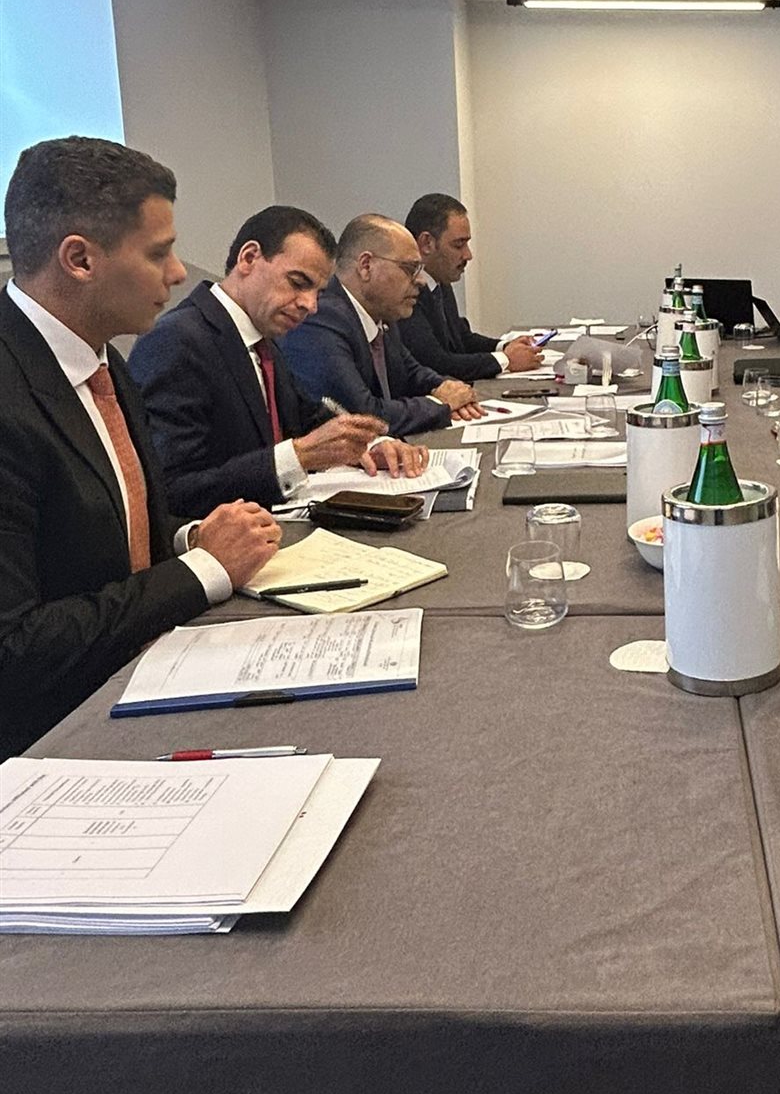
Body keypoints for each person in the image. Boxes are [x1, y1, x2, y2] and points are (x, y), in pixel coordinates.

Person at [0, 137, 280, 757]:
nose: (179, 273)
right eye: (159, 253)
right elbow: (15, 650)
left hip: (138, 678)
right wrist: (203, 569)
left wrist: (192, 537)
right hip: (50, 742)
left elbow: (103, 535)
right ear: (80, 259)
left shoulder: (104, 360)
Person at [129, 205, 429, 513]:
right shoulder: (176, 340)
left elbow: (307, 417)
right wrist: (297, 457)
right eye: (298, 283)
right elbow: (172, 490)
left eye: (317, 292)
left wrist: (367, 445)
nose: (310, 305)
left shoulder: (263, 340)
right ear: (249, 258)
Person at [279, 214, 485, 435]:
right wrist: (440, 404)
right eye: (410, 268)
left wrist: (443, 386)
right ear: (366, 266)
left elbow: (411, 372)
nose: (421, 280)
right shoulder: (322, 317)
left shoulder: (382, 311)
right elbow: (364, 415)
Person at [401, 193, 544, 380]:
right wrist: (506, 360)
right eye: (458, 245)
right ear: (427, 243)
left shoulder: (440, 282)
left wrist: (504, 346)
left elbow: (461, 338)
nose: (468, 255)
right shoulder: (404, 293)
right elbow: (436, 363)